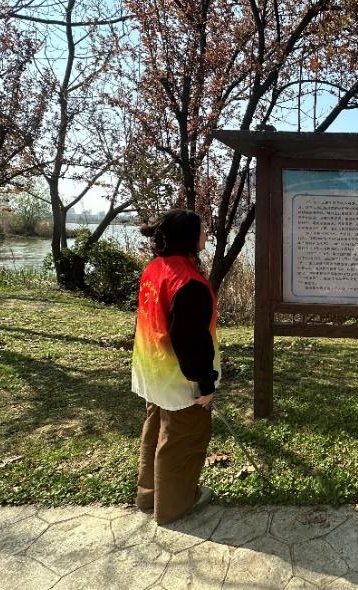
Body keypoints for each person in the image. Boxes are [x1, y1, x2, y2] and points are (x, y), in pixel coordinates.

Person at [132, 209, 221, 525]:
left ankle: (149, 495)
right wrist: (205, 383)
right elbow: (190, 341)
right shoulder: (189, 282)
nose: (206, 235)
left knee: (155, 431)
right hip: (180, 379)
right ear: (189, 237)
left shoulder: (155, 268)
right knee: (183, 440)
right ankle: (174, 505)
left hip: (152, 371)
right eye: (202, 230)